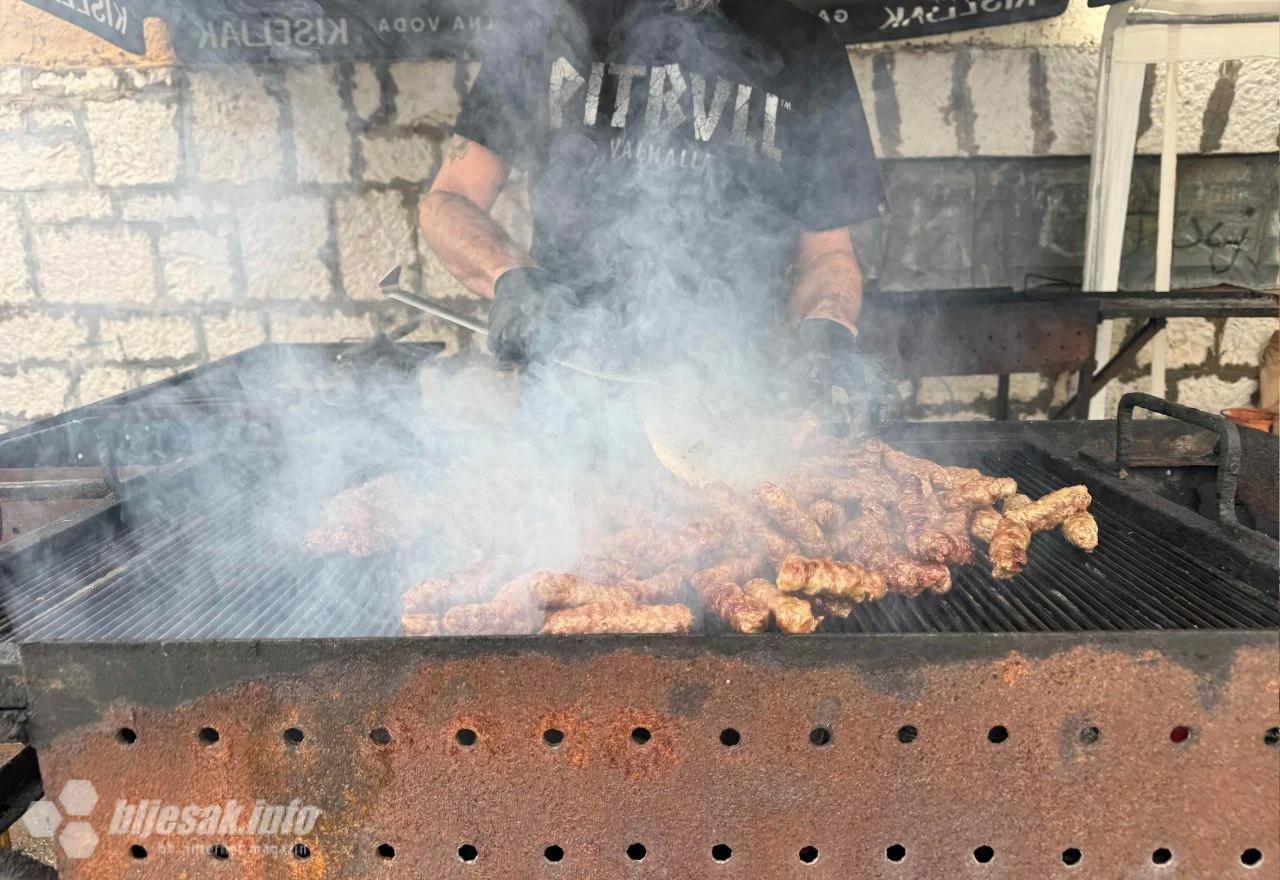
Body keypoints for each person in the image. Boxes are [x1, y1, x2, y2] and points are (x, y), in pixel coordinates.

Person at [420, 0, 888, 401]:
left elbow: (826, 253)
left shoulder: (803, 44)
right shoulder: (549, 21)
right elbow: (450, 198)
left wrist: (827, 332)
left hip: (735, 398)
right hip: (574, 390)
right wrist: (507, 276)